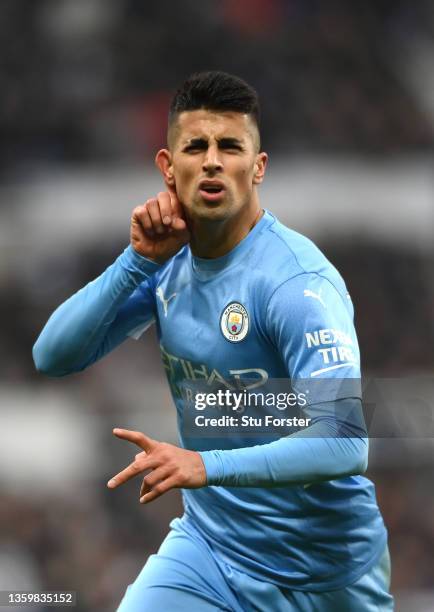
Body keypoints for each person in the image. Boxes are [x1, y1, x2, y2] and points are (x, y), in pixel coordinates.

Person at [33, 71, 394, 611]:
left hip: (326, 573)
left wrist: (206, 467)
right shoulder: (164, 265)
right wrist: (136, 262)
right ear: (167, 166)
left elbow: (345, 443)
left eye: (230, 146)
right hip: (209, 551)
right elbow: (52, 355)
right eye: (195, 146)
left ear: (258, 166)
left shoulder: (295, 283)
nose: (211, 161)